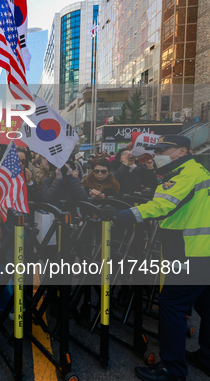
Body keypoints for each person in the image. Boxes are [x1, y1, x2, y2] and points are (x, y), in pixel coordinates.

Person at [100, 135, 210, 381]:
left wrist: (124, 214)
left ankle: (172, 369)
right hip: (203, 251)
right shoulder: (197, 169)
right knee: (206, 307)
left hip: (190, 251)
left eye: (164, 149)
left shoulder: (184, 174)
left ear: (182, 151)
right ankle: (207, 358)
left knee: (172, 305)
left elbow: (161, 206)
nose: (158, 153)